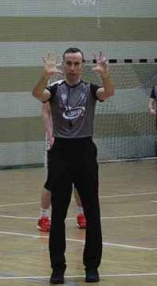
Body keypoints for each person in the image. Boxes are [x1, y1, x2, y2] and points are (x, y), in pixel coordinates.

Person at [32, 48, 115, 284]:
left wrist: (105, 75)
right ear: (63, 65)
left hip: (84, 150)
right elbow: (37, 94)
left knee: (92, 211)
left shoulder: (89, 89)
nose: (72, 68)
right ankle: (57, 268)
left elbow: (108, 92)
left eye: (76, 63)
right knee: (58, 213)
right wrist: (45, 75)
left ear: (82, 65)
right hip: (61, 152)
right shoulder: (54, 89)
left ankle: (92, 266)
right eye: (68, 63)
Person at [37, 102, 87, 232]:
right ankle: (43, 217)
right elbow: (45, 111)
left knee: (80, 181)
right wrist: (50, 135)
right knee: (52, 182)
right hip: (57, 141)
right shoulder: (53, 92)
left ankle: (81, 214)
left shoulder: (81, 93)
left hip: (77, 140)